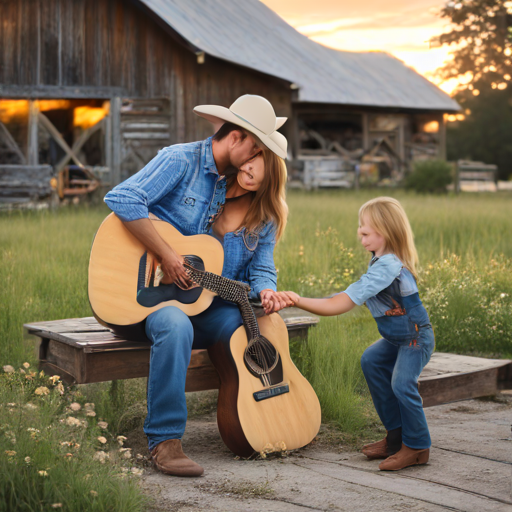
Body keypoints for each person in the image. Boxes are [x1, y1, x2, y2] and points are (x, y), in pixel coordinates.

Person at [103, 95, 292, 477]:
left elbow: (234, 260)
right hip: (144, 297)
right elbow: (121, 197)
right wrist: (166, 255)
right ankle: (165, 442)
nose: (256, 158)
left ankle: (249, 421)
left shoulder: (227, 185)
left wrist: (265, 290)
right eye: (255, 147)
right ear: (237, 137)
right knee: (175, 323)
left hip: (198, 300)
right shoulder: (180, 160)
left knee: (247, 326)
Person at [281, 197, 435, 471]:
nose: (360, 237)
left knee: (402, 384)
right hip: (395, 338)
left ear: (385, 232)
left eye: (365, 232)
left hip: (414, 338)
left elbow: (339, 304)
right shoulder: (378, 261)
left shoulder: (388, 266)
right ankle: (395, 437)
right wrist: (302, 299)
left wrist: (296, 300)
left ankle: (417, 446)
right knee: (372, 361)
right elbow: (341, 296)